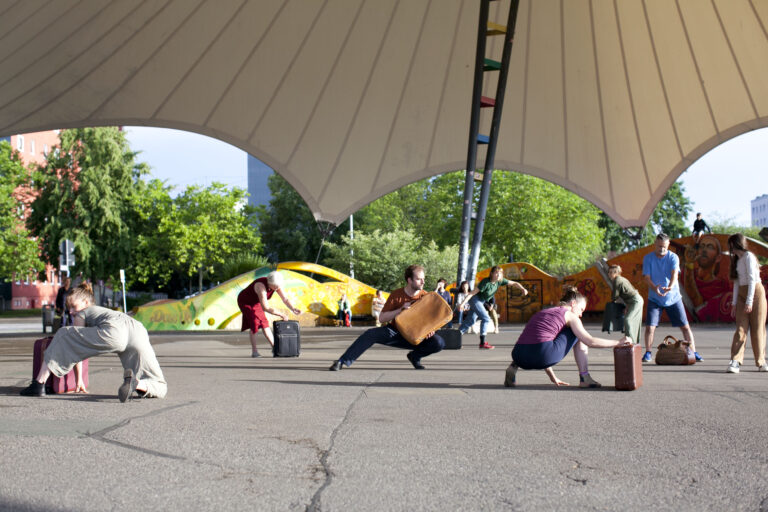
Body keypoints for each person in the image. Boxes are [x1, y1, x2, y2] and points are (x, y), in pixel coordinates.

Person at [20, 282, 167, 401]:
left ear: (85, 302)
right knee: (159, 383)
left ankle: (38, 384)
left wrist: (79, 380)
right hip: (137, 329)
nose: (71, 312)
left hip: (115, 331)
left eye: (73, 306)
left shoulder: (84, 312)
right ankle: (137, 383)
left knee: (64, 334)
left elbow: (75, 348)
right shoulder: (106, 311)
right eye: (68, 308)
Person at [504, 286, 631, 388]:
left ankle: (513, 367)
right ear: (573, 303)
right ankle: (584, 378)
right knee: (577, 334)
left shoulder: (543, 312)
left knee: (539, 337)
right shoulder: (569, 315)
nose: (580, 314)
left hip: (519, 355)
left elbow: (538, 341)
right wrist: (618, 342)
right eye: (581, 309)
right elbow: (590, 341)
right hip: (541, 354)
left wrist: (552, 377)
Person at [329, 265, 445, 370]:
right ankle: (342, 361)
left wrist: (431, 330)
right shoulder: (396, 295)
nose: (423, 282)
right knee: (370, 334)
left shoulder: (425, 296)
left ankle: (414, 356)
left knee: (439, 342)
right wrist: (400, 310)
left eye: (423, 279)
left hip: (416, 334)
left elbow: (433, 319)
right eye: (419, 279)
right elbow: (382, 318)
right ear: (409, 280)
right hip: (395, 332)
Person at [642, 233, 702, 362]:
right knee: (649, 327)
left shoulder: (673, 257)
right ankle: (648, 352)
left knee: (685, 327)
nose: (662, 249)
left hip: (673, 298)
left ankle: (694, 352)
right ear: (655, 244)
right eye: (659, 246)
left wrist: (670, 286)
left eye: (664, 247)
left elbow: (675, 274)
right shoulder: (648, 258)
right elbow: (646, 278)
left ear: (668, 245)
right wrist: (655, 288)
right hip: (655, 298)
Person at [457, 265, 528, 349]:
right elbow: (472, 293)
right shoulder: (485, 282)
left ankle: (454, 338)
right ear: (491, 274)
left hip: (481, 301)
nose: (499, 275)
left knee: (470, 321)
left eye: (500, 273)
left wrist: (523, 288)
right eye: (496, 273)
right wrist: (462, 304)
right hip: (475, 300)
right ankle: (482, 343)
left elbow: (514, 283)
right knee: (486, 318)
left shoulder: (500, 281)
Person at [726, 233, 768, 373]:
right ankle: (735, 361)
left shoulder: (748, 257)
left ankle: (761, 362)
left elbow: (751, 280)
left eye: (731, 244)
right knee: (740, 328)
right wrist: (734, 303)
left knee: (757, 329)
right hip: (743, 295)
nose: (729, 247)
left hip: (755, 293)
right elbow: (737, 283)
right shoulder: (737, 260)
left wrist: (749, 302)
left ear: (736, 243)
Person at [237, 271, 301, 357]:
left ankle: (275, 348)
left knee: (264, 323)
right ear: (269, 283)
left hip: (257, 302)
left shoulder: (276, 284)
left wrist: (293, 308)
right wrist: (281, 314)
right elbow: (266, 308)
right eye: (275, 286)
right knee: (254, 323)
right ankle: (254, 351)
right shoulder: (260, 287)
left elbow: (285, 299)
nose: (277, 288)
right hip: (246, 302)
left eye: (278, 286)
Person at [681, 234, 732, 322]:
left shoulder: (720, 285)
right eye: (702, 246)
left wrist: (689, 264)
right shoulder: (685, 273)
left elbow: (698, 306)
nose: (704, 250)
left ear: (718, 258)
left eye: (710, 247)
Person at [607, 265, 643, 345]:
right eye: (608, 272)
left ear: (616, 273)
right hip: (634, 300)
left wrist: (613, 302)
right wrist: (627, 305)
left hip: (635, 301)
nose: (609, 274)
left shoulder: (617, 280)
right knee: (634, 321)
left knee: (628, 320)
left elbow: (615, 295)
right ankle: (633, 342)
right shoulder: (622, 279)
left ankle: (630, 342)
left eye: (610, 272)